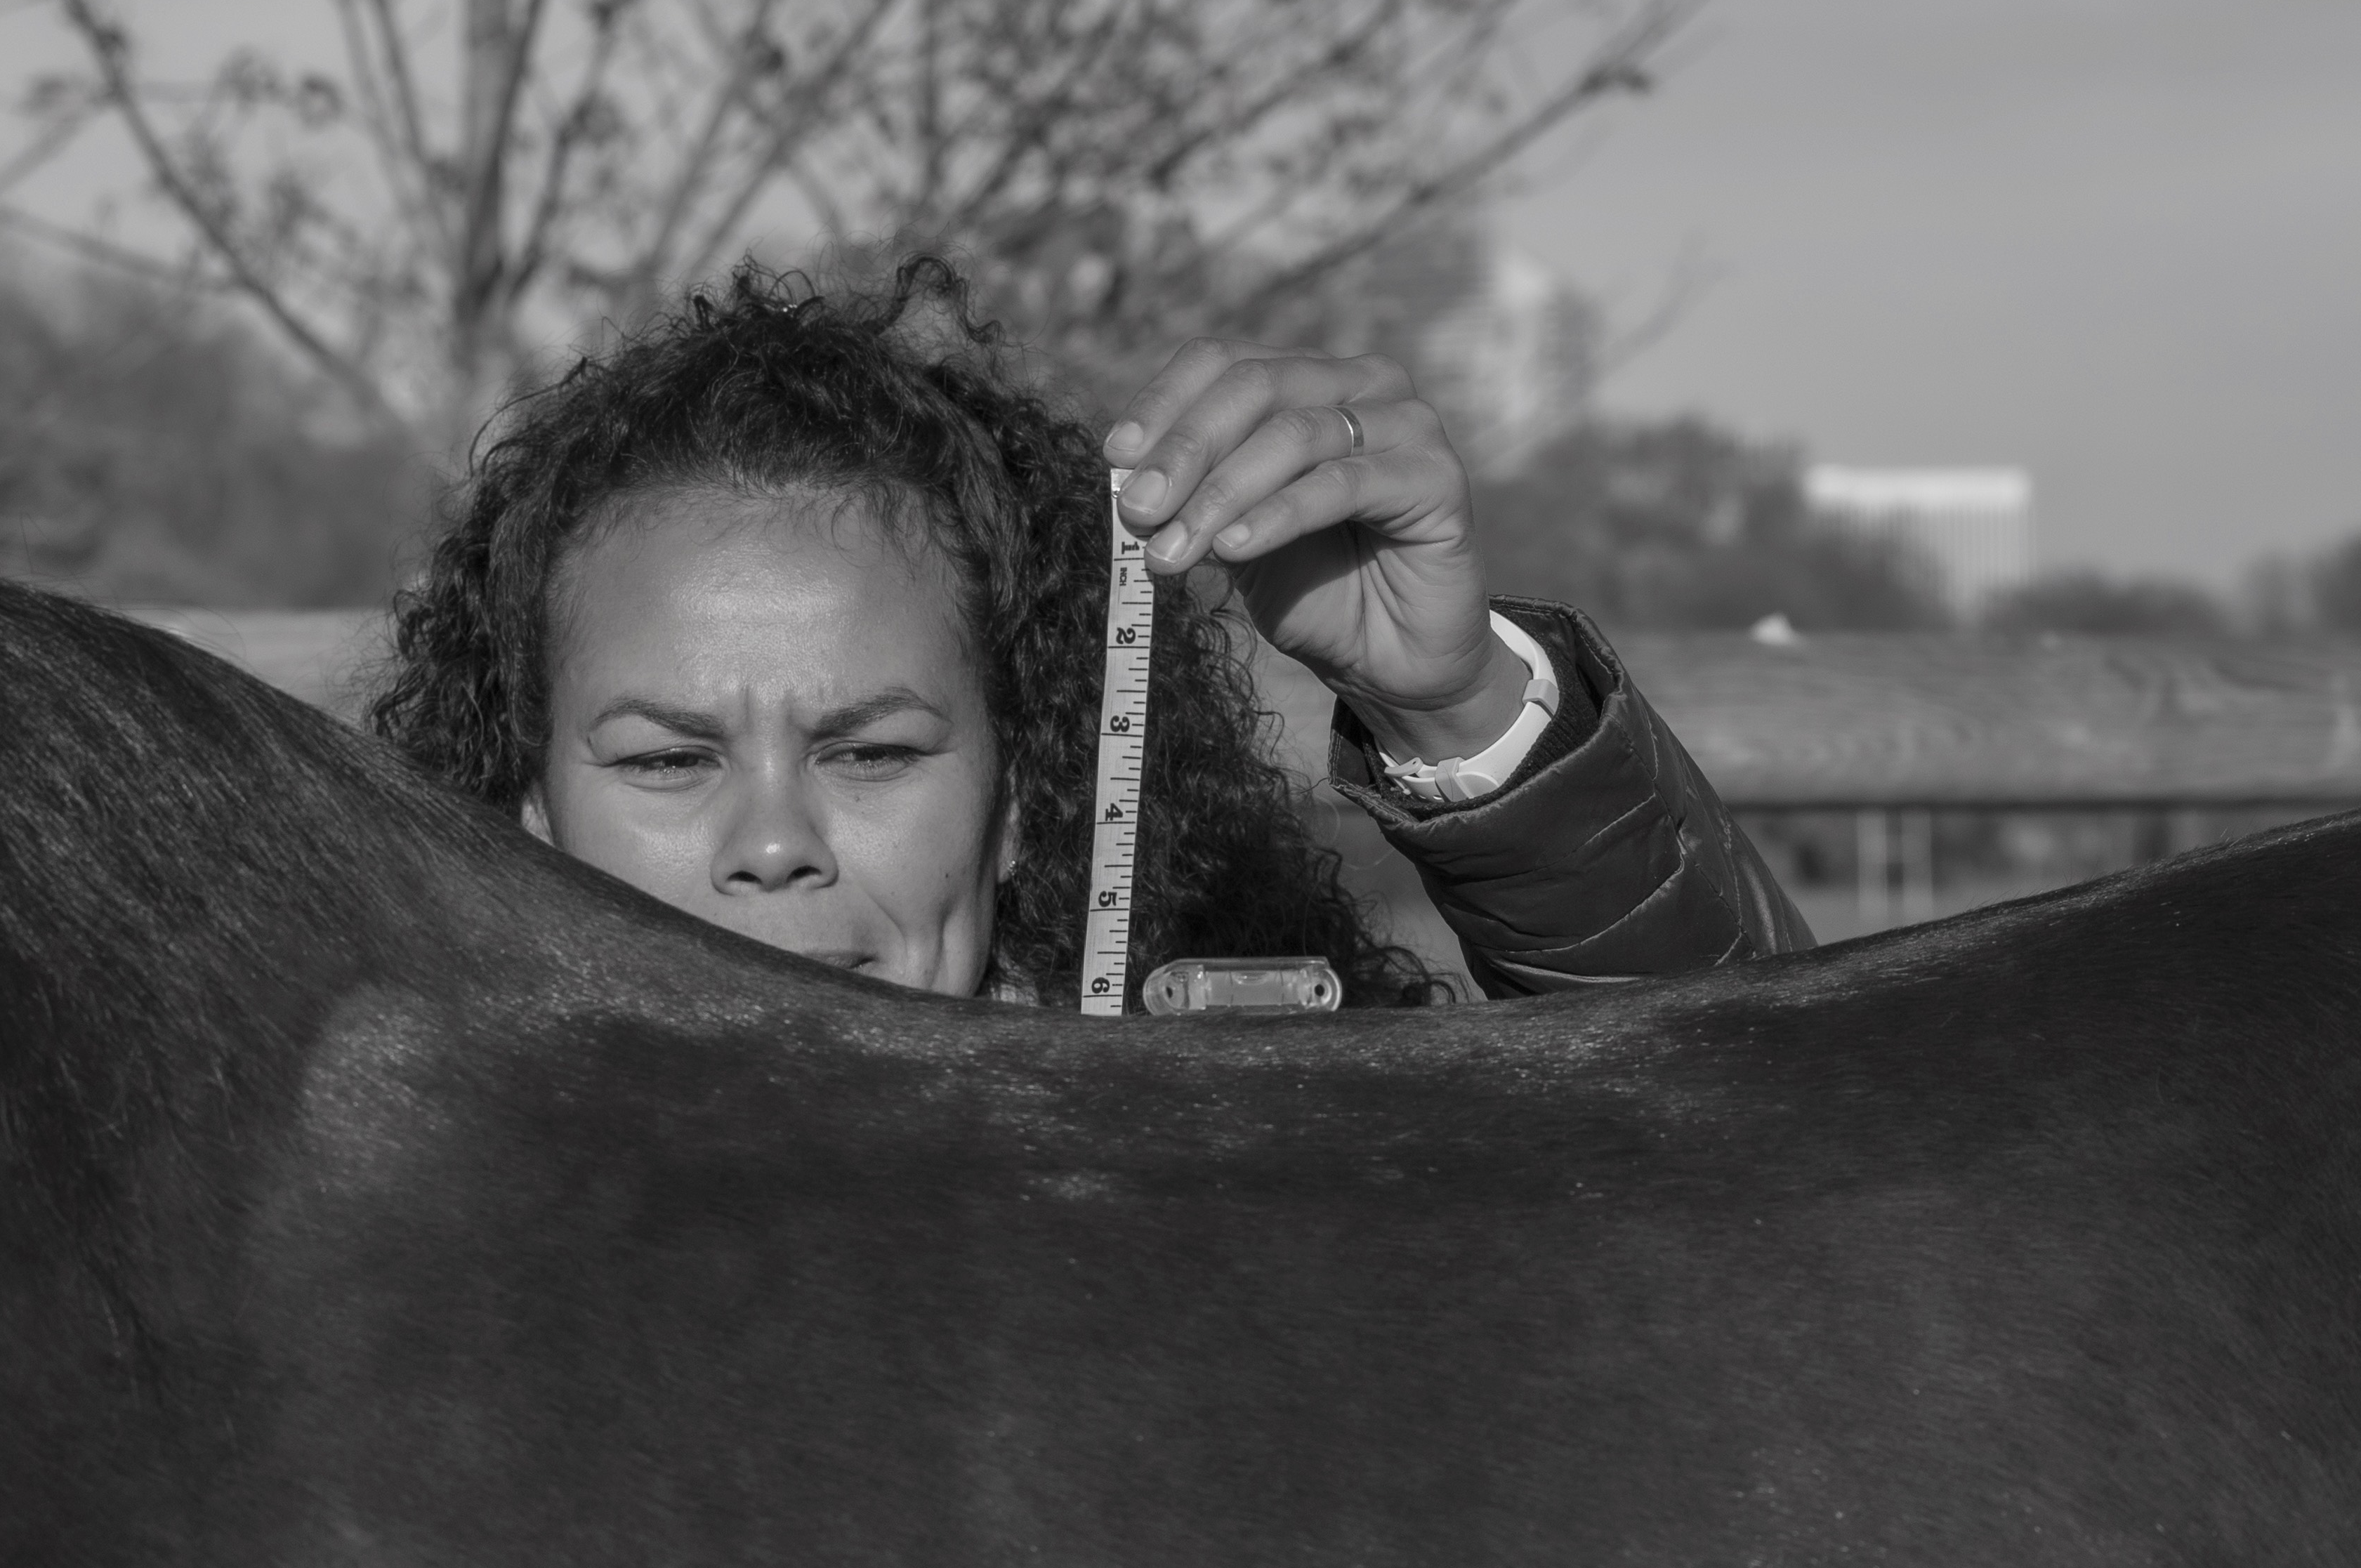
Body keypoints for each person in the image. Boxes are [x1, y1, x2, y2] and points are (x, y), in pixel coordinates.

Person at [369, 256, 1807, 1008]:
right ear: (527, 807)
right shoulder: (375, 1253)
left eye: (868, 752)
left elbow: (1787, 1188)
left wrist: (1458, 707)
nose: (769, 845)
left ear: (1021, 803)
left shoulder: (1237, 1164)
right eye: (667, 763)